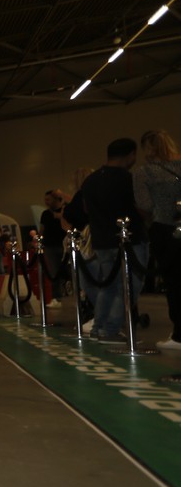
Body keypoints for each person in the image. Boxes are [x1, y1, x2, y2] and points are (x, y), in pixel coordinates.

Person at [64, 138, 146, 342]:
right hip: (130, 240)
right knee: (129, 286)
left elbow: (85, 209)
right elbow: (142, 207)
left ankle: (99, 327)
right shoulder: (129, 179)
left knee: (108, 286)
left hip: (101, 241)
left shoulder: (90, 181)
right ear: (131, 155)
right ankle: (110, 329)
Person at [132, 129, 181, 349]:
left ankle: (179, 335)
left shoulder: (145, 172)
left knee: (174, 282)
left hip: (165, 229)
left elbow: (144, 205)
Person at [39, 190, 69, 302]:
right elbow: (42, 229)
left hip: (64, 246)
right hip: (50, 247)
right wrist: (39, 241)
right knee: (53, 273)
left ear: (56, 199)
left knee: (68, 270)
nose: (46, 202)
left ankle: (70, 293)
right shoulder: (45, 214)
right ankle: (56, 298)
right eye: (45, 200)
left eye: (48, 199)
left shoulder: (65, 211)